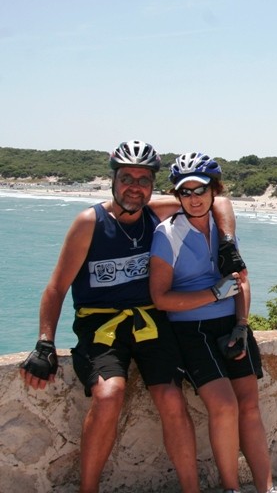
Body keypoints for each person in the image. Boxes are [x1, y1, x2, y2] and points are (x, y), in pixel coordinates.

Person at [19, 140, 243, 493]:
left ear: (152, 185)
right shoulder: (89, 223)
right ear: (113, 179)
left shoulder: (156, 211)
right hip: (101, 324)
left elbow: (222, 202)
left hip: (150, 322)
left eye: (143, 179)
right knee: (109, 394)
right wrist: (45, 342)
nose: (134, 187)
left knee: (171, 398)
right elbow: (56, 287)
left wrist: (227, 241)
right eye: (127, 178)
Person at [149, 152, 277, 493]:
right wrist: (213, 294)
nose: (193, 198)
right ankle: (231, 488)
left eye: (200, 190)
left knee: (250, 407)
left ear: (213, 191)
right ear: (177, 196)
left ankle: (267, 487)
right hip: (192, 331)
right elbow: (160, 297)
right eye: (185, 192)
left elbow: (242, 279)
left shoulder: (222, 229)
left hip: (232, 324)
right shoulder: (168, 234)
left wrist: (241, 322)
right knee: (224, 406)